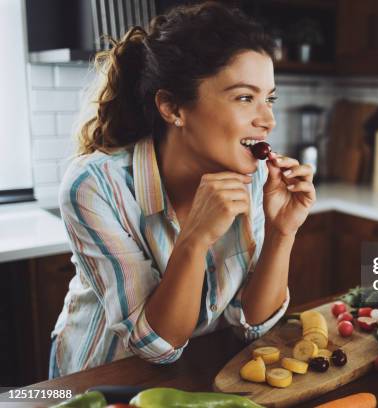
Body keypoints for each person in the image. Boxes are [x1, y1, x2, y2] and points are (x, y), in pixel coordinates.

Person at [49, 1, 315, 378]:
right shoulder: (95, 186)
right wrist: (194, 239)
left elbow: (254, 323)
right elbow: (157, 346)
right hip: (101, 379)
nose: (268, 119)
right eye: (244, 97)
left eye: (269, 98)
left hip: (194, 375)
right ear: (173, 108)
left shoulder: (253, 177)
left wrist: (282, 232)